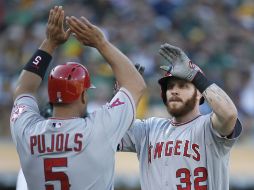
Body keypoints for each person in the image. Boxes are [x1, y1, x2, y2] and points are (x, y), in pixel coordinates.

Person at [11, 5, 146, 190]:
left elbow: (23, 88)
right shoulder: (99, 127)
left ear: (50, 95)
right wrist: (101, 43)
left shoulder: (26, 130)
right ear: (83, 96)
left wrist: (50, 43)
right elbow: (136, 84)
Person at [118, 44, 242, 190]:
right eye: (170, 87)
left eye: (183, 86)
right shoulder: (148, 129)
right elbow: (109, 134)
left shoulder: (209, 127)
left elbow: (229, 114)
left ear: (199, 94)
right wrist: (122, 98)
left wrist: (195, 76)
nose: (174, 91)